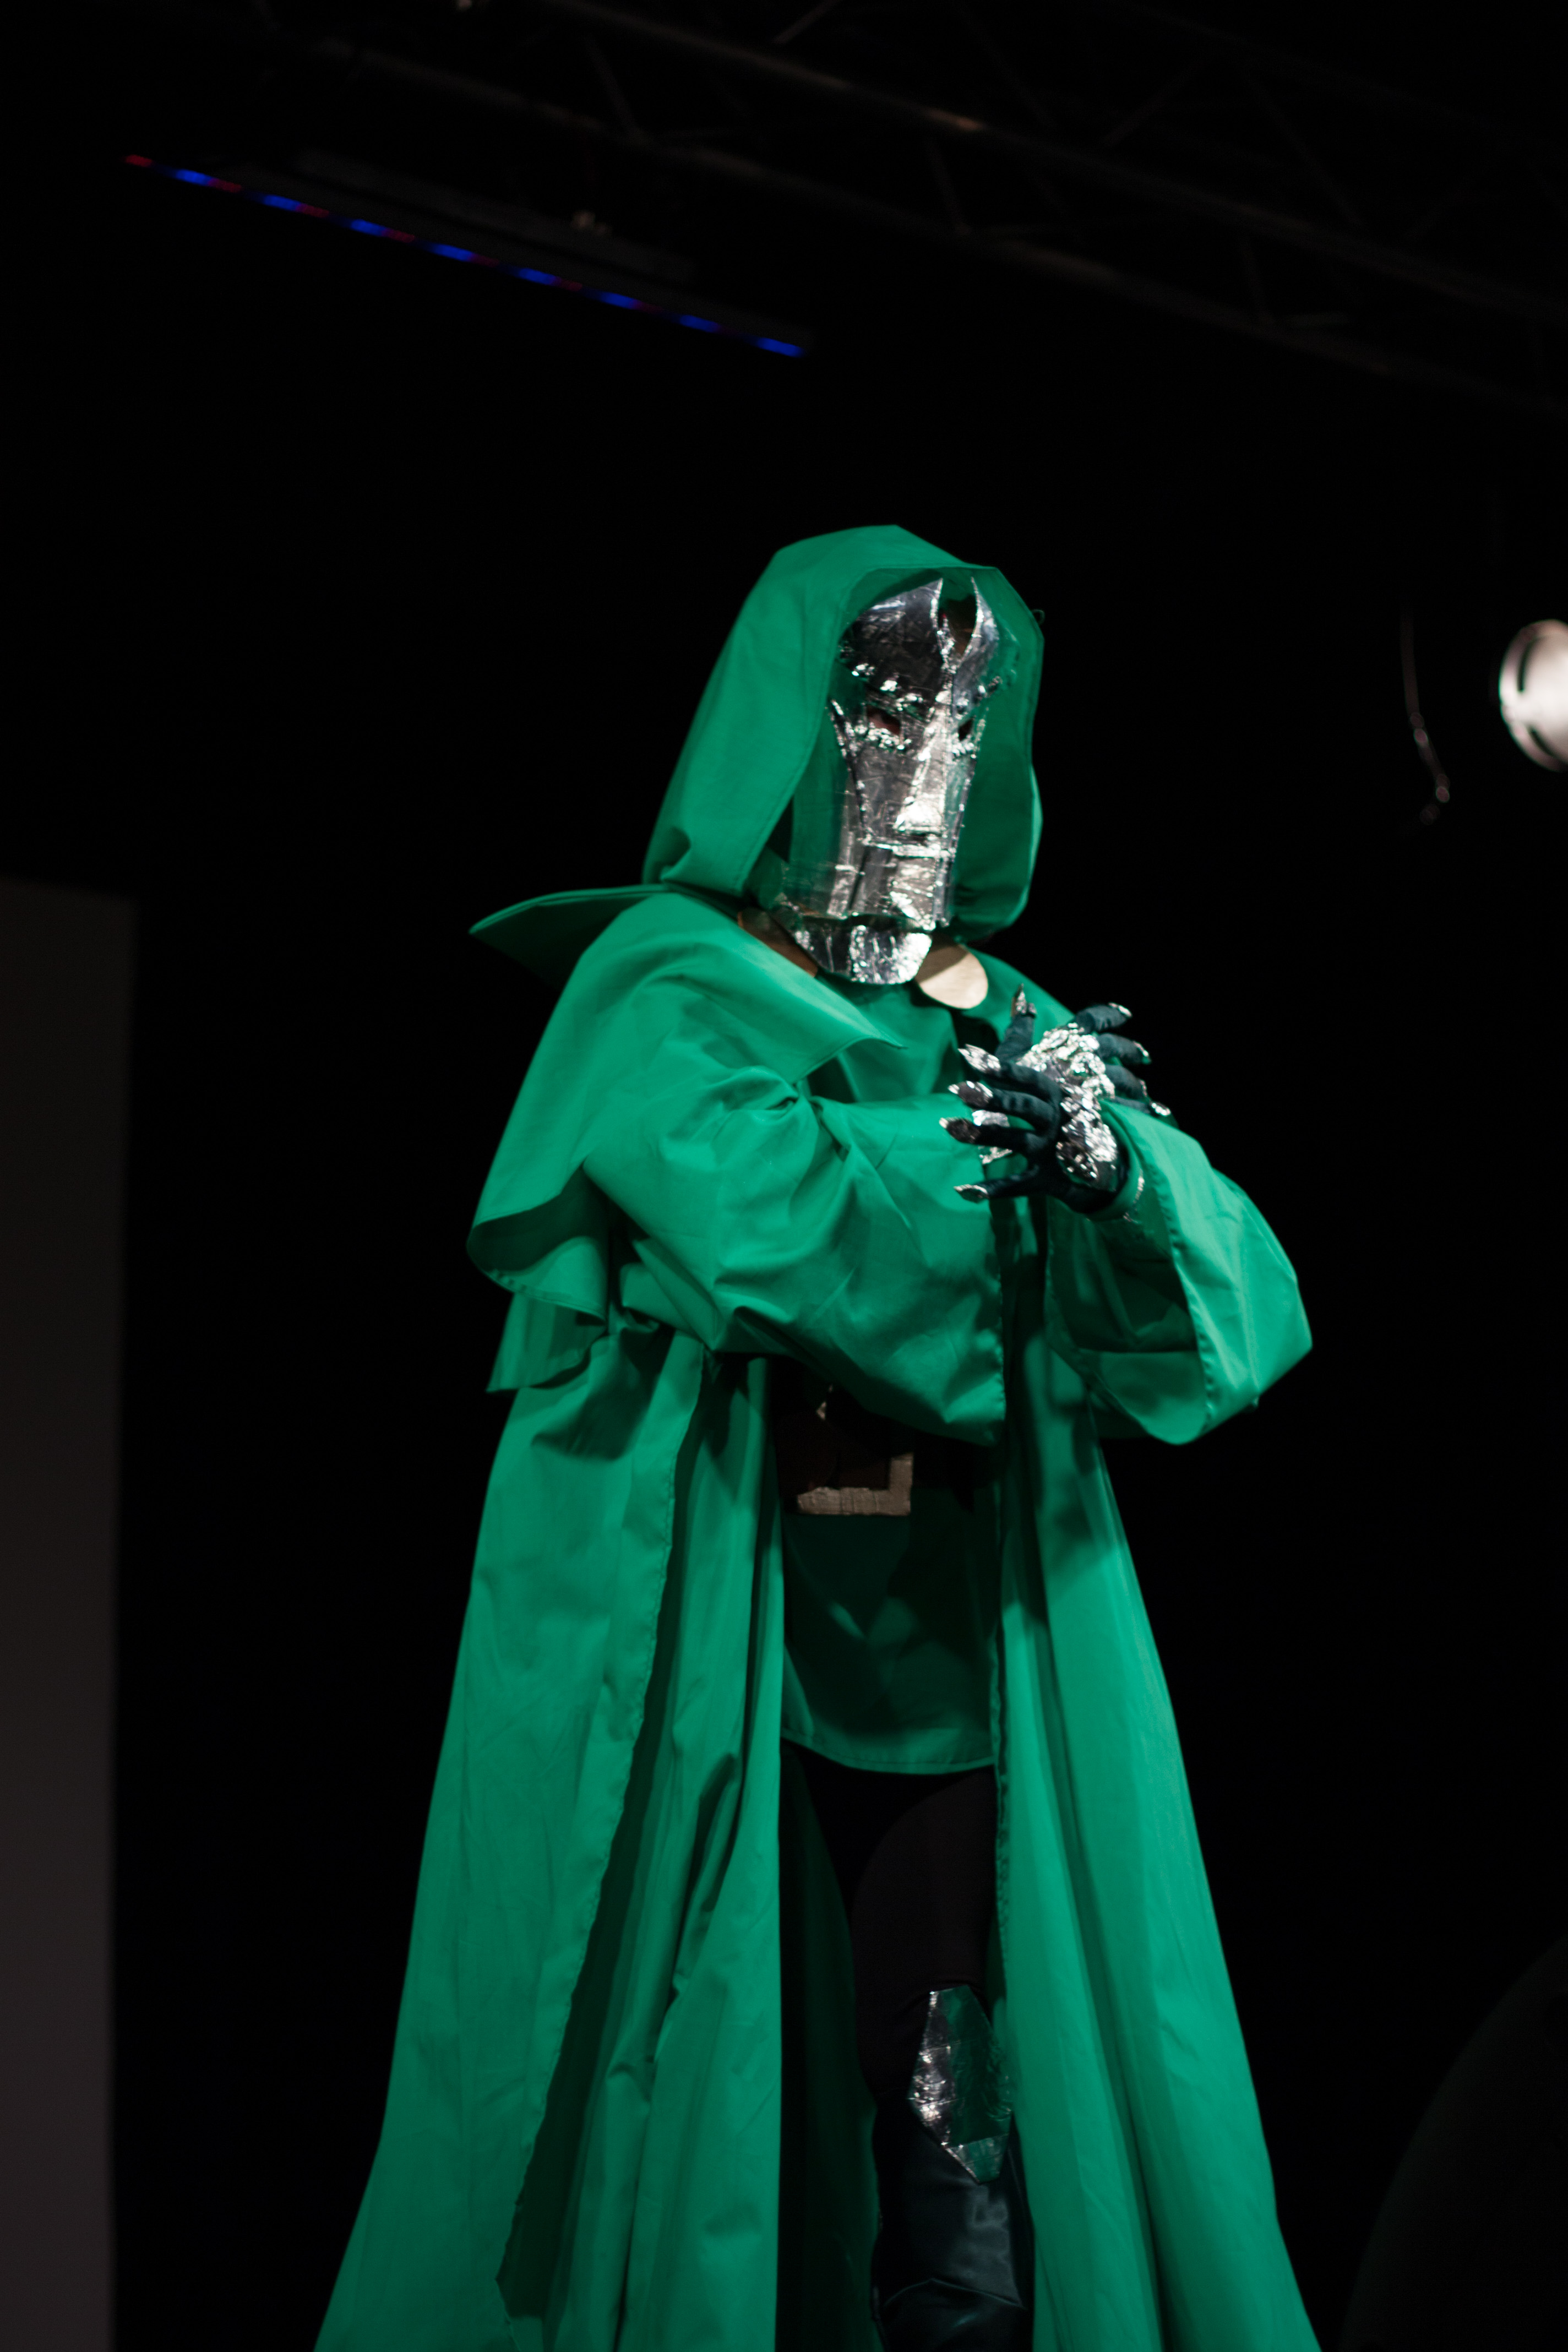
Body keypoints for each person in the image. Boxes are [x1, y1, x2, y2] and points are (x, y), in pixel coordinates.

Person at [316, 525, 1321, 2352]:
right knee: (679, 2111)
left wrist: (1110, 1170)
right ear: (790, 719)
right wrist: (998, 1184)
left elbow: (1223, 1308)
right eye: (881, 708)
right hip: (707, 1652)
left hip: (948, 1667)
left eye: (962, 720)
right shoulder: (665, 988)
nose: (920, 762)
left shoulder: (1009, 1022)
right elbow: (788, 1239)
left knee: (956, 2135)